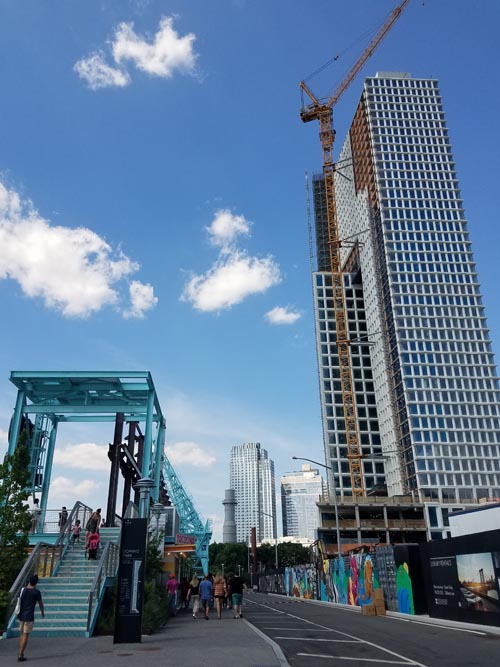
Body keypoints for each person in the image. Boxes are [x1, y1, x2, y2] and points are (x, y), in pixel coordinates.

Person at [17, 574, 44, 662]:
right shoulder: (36, 592)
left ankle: (20, 652)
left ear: (29, 581)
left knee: (22, 634)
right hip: (29, 616)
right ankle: (21, 654)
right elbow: (40, 603)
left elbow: (19, 601)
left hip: (21, 615)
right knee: (26, 635)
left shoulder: (22, 590)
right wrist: (42, 612)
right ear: (36, 583)